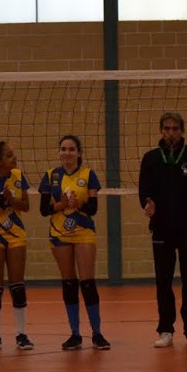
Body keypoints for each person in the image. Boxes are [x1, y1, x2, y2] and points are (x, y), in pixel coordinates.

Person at [138, 111, 187, 348]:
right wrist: (147, 202)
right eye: (166, 128)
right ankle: (166, 329)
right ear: (161, 130)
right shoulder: (151, 158)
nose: (171, 132)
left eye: (175, 128)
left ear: (182, 131)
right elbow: (144, 189)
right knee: (163, 282)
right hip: (161, 229)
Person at [40, 135, 106, 351]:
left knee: (87, 283)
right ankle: (75, 334)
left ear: (78, 153)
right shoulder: (51, 176)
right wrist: (60, 206)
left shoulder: (88, 175)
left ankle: (97, 334)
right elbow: (43, 210)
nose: (67, 153)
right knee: (69, 283)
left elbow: (93, 210)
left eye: (71, 149)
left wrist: (79, 205)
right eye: (63, 149)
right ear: (59, 152)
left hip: (84, 232)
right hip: (59, 234)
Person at [0, 140, 35, 352]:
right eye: (9, 155)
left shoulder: (18, 176)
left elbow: (26, 206)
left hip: (16, 234)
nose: (14, 157)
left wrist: (12, 200)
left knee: (17, 285)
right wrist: (4, 200)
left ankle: (21, 334)